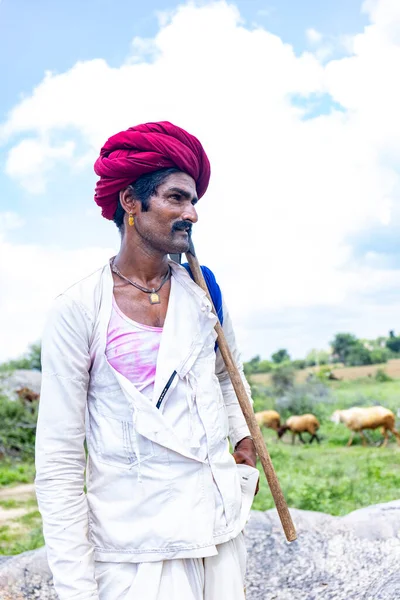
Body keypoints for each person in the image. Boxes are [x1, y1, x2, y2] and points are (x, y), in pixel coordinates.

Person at [35, 121, 259, 600]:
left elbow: (227, 377)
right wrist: (77, 588)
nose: (192, 214)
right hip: (135, 551)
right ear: (130, 203)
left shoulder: (203, 292)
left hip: (217, 532)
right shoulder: (77, 309)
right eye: (177, 198)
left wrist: (244, 444)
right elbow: (58, 459)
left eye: (194, 201)